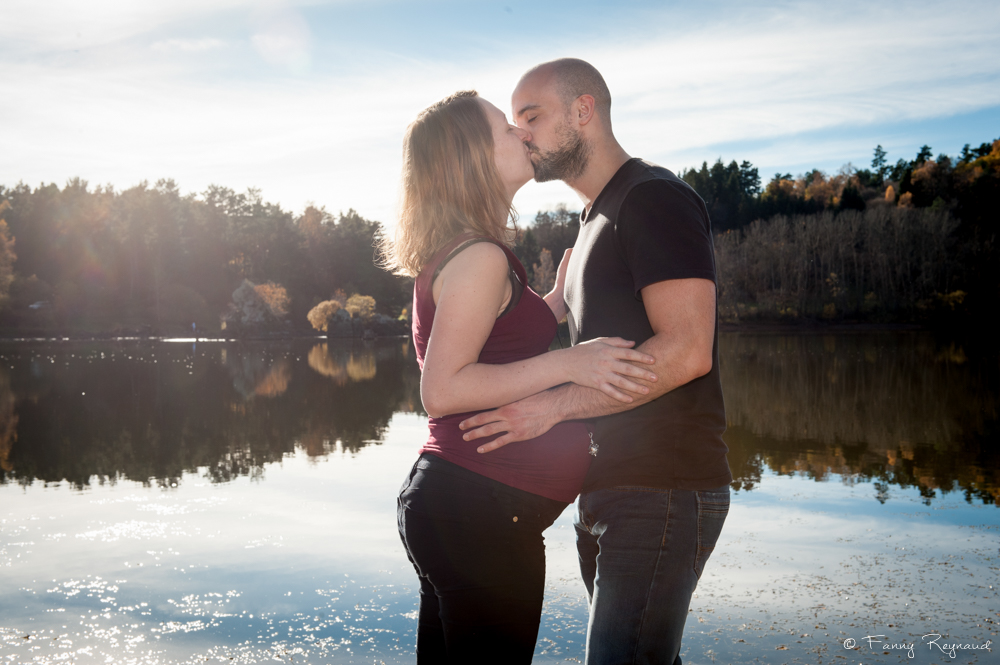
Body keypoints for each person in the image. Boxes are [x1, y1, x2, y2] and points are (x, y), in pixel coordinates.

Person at [459, 59, 733, 665]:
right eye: (515, 122)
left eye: (532, 116)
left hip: (664, 487)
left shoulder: (652, 198)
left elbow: (687, 350)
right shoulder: (592, 222)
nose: (521, 132)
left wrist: (546, 411)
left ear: (584, 111)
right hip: (610, 489)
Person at [382, 90, 659, 664]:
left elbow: (500, 342)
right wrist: (569, 363)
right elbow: (444, 390)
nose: (522, 134)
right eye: (506, 128)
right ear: (473, 160)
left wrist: (555, 305)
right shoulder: (478, 256)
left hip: (468, 508)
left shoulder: (471, 253)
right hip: (477, 512)